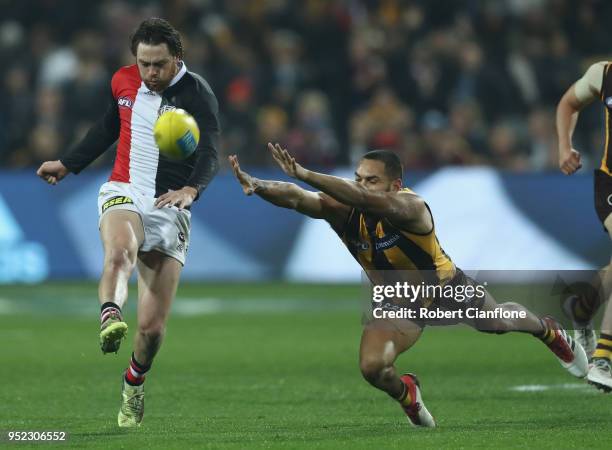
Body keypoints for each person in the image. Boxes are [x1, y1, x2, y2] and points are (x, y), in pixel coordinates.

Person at [228, 143, 588, 427]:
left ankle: (548, 331)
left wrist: (305, 172)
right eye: (358, 178)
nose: (361, 185)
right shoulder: (345, 210)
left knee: (496, 323)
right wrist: (258, 185)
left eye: (371, 179)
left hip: (447, 287)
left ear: (395, 186)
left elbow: (368, 200)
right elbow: (296, 197)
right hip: (399, 302)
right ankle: (408, 395)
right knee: (373, 368)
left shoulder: (412, 208)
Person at [36, 18, 220, 426]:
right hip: (124, 189)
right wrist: (69, 164)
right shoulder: (122, 80)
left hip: (170, 205)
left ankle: (134, 382)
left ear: (177, 59)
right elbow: (108, 127)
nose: (150, 73)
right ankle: (109, 315)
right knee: (120, 252)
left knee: (152, 331)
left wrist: (192, 191)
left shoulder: (197, 93)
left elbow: (210, 150)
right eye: (143, 64)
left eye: (158, 65)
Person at [556, 61, 612, 392]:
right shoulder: (603, 74)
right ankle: (604, 359)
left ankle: (580, 308)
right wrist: (565, 145)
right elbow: (568, 103)